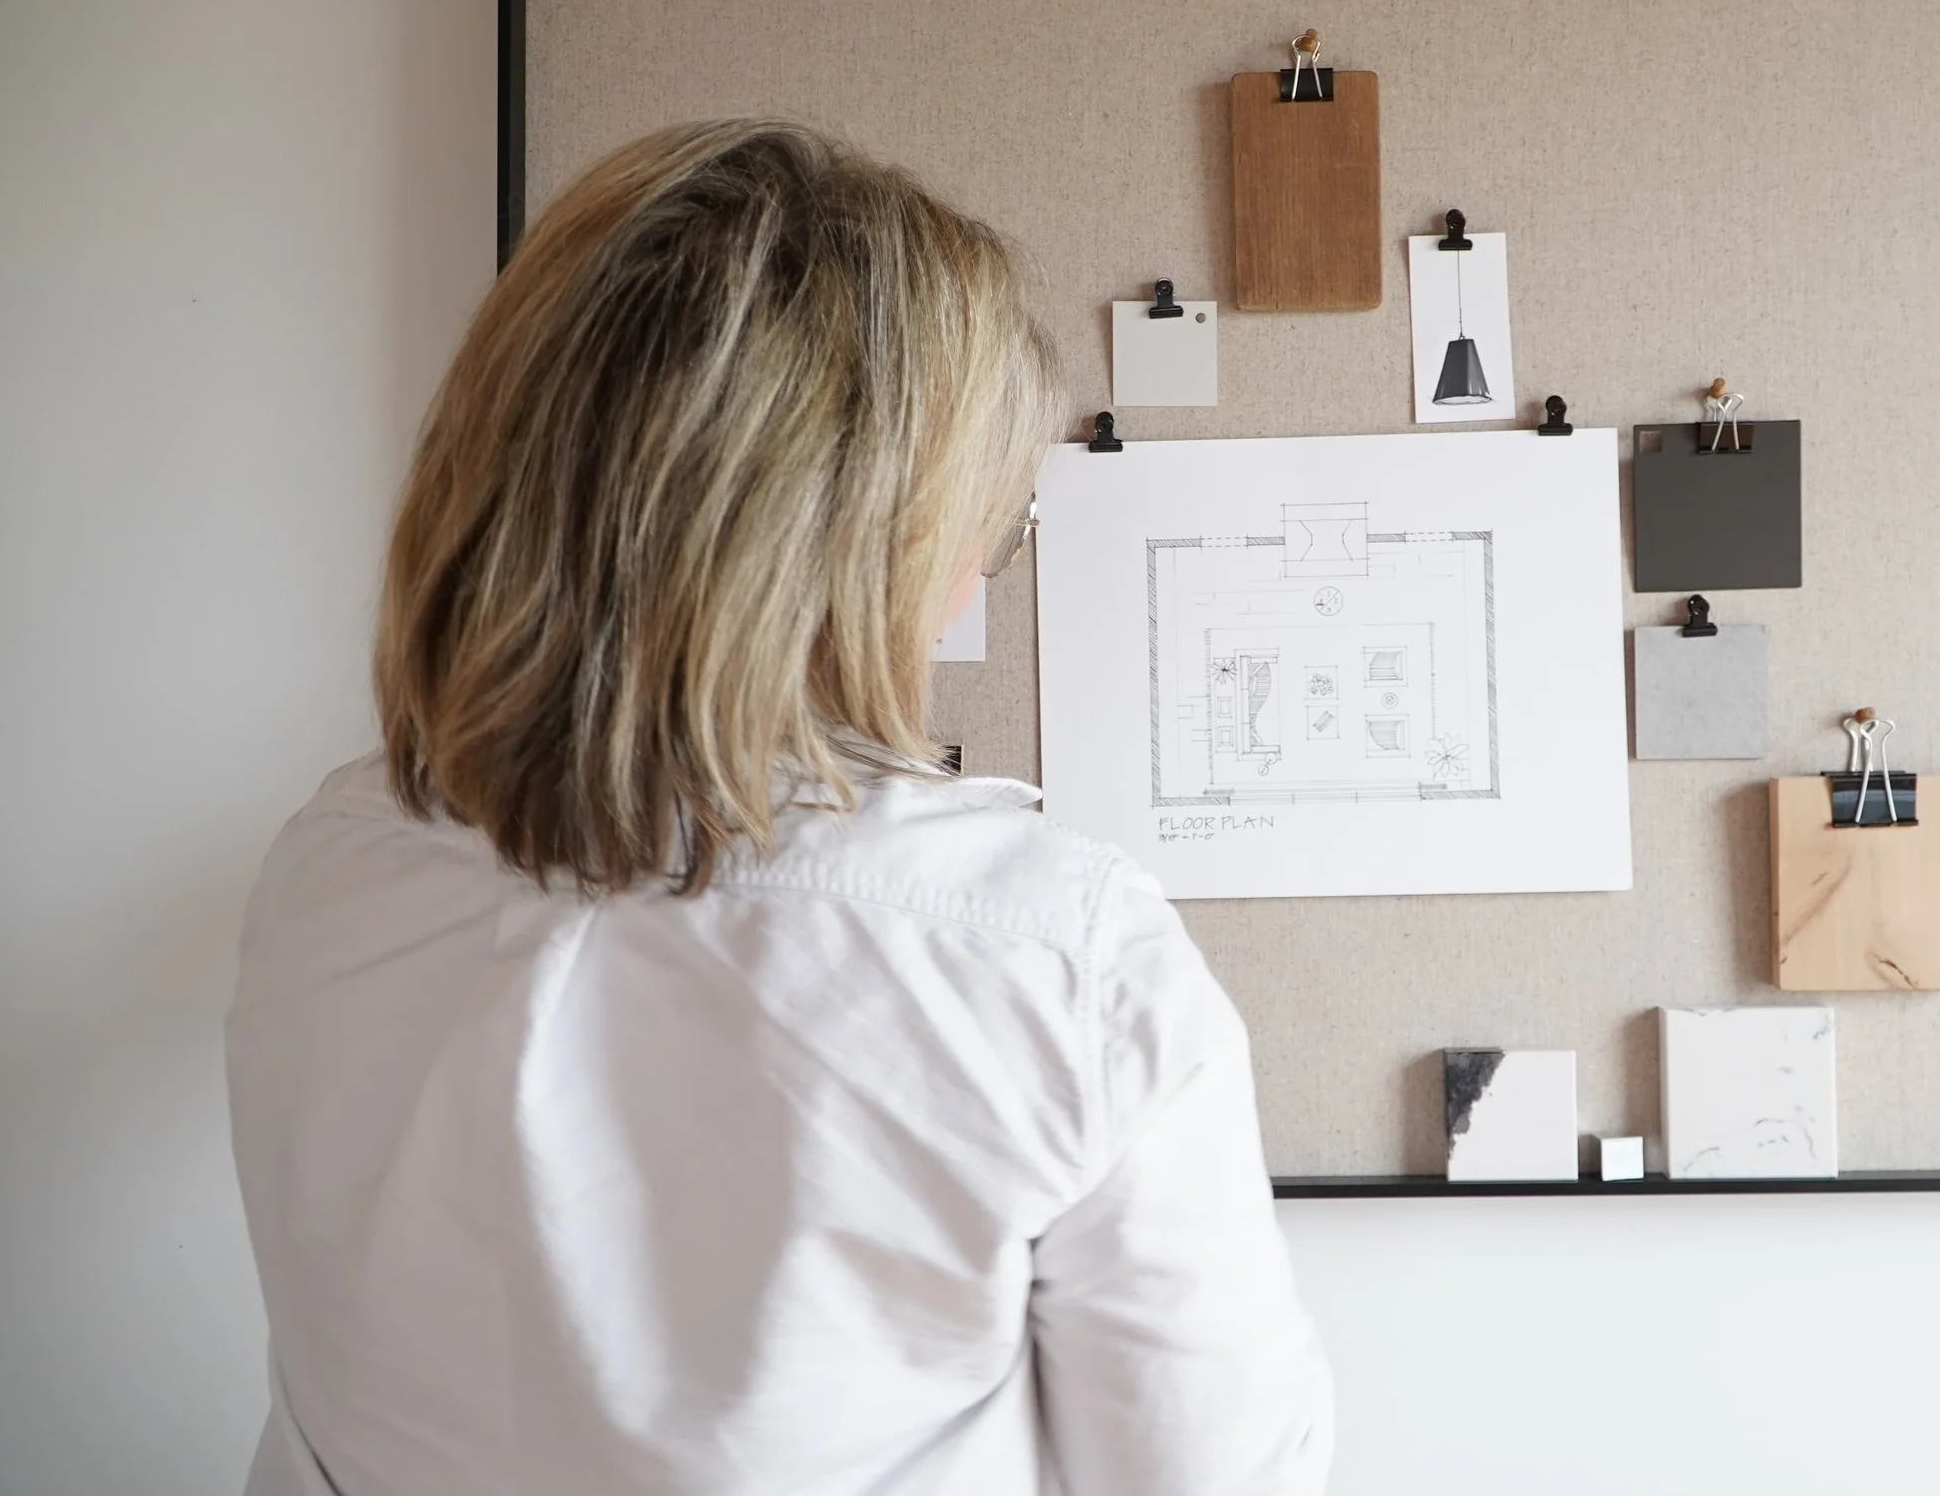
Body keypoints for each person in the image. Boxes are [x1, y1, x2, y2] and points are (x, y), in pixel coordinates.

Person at [225, 120, 1333, 1496]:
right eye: (987, 529)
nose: (970, 588)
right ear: (868, 544)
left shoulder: (325, 873)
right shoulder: (1055, 962)